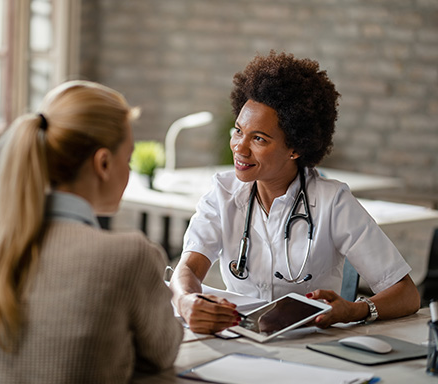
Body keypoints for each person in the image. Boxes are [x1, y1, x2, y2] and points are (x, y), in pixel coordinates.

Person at [0, 80, 183, 384]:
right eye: (128, 159)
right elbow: (162, 352)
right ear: (103, 163)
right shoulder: (130, 256)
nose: (129, 170)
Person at [169, 51, 420, 334]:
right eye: (238, 131)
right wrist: (186, 300)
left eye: (259, 138)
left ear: (296, 148)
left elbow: (406, 294)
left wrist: (353, 310)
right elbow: (188, 269)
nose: (240, 147)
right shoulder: (223, 193)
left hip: (310, 347)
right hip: (239, 341)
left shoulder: (332, 203)